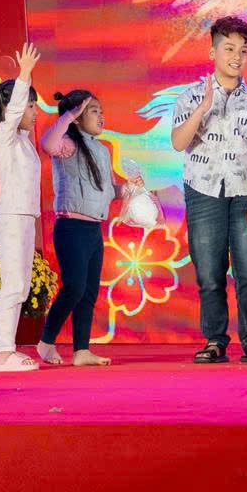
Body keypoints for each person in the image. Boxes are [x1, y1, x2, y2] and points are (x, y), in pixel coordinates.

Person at [169, 16, 247, 364]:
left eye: (243, 51)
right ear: (213, 52)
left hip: (245, 192)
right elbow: (178, 143)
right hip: (203, 192)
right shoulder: (191, 96)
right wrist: (203, 108)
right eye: (229, 49)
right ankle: (215, 340)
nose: (237, 57)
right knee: (209, 271)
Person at [38, 88, 149, 367]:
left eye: (101, 111)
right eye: (94, 111)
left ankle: (81, 351)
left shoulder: (101, 150)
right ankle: (46, 342)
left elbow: (108, 191)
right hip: (71, 228)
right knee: (74, 288)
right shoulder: (68, 144)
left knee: (88, 292)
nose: (101, 116)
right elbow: (47, 144)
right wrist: (68, 115)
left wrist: (128, 189)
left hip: (93, 230)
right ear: (77, 117)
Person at [0, 40, 44, 373]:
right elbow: (14, 112)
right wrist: (24, 77)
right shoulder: (3, 137)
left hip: (23, 218)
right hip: (11, 218)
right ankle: (3, 354)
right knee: (14, 285)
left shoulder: (22, 142)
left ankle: (7, 350)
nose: (35, 113)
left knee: (20, 286)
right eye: (32, 106)